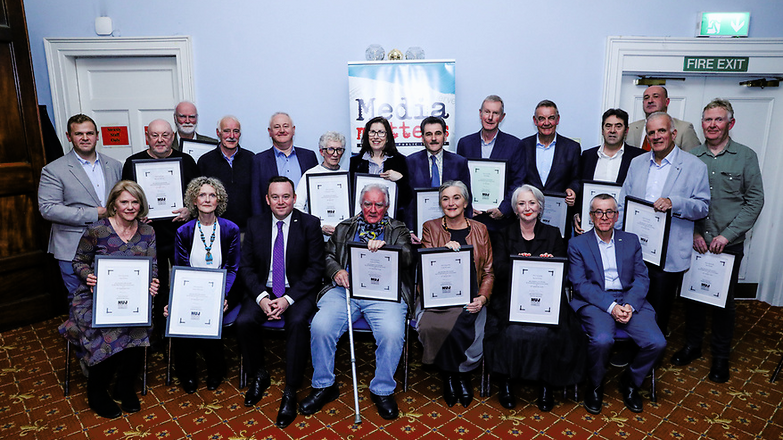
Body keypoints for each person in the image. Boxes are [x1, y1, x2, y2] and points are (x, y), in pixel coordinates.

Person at [300, 184, 413, 420]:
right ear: (360, 205)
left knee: (392, 332)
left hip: (384, 293)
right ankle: (323, 385)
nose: (372, 209)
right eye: (367, 204)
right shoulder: (345, 226)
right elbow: (328, 255)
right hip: (345, 290)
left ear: (387, 206)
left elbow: (408, 257)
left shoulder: (398, 228)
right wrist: (337, 271)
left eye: (378, 204)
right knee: (321, 326)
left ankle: (382, 389)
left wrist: (387, 248)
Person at [671, 99, 764, 383]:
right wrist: (696, 233)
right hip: (696, 241)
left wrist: (727, 236)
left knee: (724, 304)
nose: (712, 125)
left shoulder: (745, 157)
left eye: (718, 120)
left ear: (730, 124)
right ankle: (692, 346)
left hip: (728, 243)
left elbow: (754, 201)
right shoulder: (691, 157)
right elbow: (686, 201)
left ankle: (721, 357)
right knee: (693, 299)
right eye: (708, 120)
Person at [58, 180, 160, 419]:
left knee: (140, 323)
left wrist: (153, 282)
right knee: (107, 328)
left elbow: (152, 266)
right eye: (124, 201)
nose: (130, 206)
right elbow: (78, 262)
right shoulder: (97, 230)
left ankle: (124, 385)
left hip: (132, 295)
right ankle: (97, 390)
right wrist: (89, 276)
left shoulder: (148, 231)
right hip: (95, 296)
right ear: (114, 203)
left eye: (135, 201)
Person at [235, 176, 324, 428]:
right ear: (267, 199)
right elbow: (247, 268)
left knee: (297, 322)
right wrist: (262, 298)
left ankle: (291, 389)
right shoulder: (255, 224)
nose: (281, 201)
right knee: (244, 322)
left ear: (295, 198)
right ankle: (259, 374)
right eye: (275, 196)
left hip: (297, 291)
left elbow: (316, 269)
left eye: (286, 196)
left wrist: (287, 299)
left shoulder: (310, 224)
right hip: (263, 290)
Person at [486, 184, 586, 411]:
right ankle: (507, 383)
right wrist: (519, 263)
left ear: (540, 207)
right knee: (509, 332)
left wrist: (548, 264)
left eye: (532, 203)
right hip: (510, 297)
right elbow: (498, 270)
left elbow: (565, 275)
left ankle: (546, 384)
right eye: (521, 203)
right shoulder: (503, 234)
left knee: (551, 332)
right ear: (515, 208)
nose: (527, 208)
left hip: (547, 299)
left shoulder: (553, 234)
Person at [569, 194, 666, 414]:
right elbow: (580, 284)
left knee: (657, 342)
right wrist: (612, 307)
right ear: (591, 216)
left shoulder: (630, 240)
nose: (604, 217)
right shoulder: (577, 244)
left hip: (629, 298)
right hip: (595, 300)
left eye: (609, 212)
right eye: (599, 212)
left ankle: (630, 382)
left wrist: (630, 305)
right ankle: (594, 386)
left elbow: (642, 278)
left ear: (617, 216)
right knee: (602, 340)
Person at [618, 112, 710, 336]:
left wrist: (674, 203)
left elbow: (703, 207)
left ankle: (651, 354)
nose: (656, 136)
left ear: (673, 133)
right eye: (651, 132)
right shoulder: (637, 163)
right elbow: (623, 202)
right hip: (636, 249)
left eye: (662, 131)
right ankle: (632, 347)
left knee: (659, 308)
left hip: (668, 254)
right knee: (632, 302)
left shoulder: (694, 166)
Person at [122, 119, 201, 343]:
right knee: (154, 285)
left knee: (183, 281)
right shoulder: (132, 162)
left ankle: (182, 326)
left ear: (173, 136)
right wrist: (136, 212)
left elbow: (199, 195)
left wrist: (190, 210)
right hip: (146, 236)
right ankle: (156, 330)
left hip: (180, 235)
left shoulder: (186, 161)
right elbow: (124, 198)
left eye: (165, 135)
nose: (160, 140)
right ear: (147, 137)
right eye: (155, 135)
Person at [417, 180, 493, 408]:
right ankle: (452, 375)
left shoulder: (480, 229)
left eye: (456, 197)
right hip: (438, 295)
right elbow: (425, 267)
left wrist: (482, 298)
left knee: (467, 323)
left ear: (466, 201)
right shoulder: (430, 227)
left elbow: (488, 271)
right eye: (445, 198)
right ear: (440, 204)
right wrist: (442, 252)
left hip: (472, 295)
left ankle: (460, 375)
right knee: (432, 326)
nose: (451, 203)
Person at [38, 114, 122, 300]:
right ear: (69, 137)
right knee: (79, 301)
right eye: (79, 134)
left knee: (112, 298)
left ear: (97, 135)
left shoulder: (115, 165)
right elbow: (48, 208)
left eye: (89, 133)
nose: (85, 138)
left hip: (110, 244)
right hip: (72, 247)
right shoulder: (54, 170)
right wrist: (95, 213)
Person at [170, 177, 240, 393]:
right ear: (194, 200)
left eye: (212, 195)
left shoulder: (230, 229)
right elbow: (180, 269)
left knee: (211, 316)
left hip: (221, 291)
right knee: (184, 319)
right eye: (202, 195)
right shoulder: (184, 231)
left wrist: (223, 297)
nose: (207, 199)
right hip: (191, 289)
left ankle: (216, 371)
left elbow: (233, 268)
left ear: (219, 200)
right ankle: (187, 373)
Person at [456, 95, 526, 232]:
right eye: (487, 112)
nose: (490, 117)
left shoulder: (515, 145)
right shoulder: (465, 143)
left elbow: (518, 181)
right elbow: (459, 180)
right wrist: (468, 206)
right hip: (471, 221)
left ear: (502, 116)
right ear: (480, 113)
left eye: (495, 113)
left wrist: (504, 209)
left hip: (502, 223)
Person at [574, 108, 645, 234]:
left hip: (623, 229)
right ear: (602, 130)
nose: (612, 130)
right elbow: (580, 189)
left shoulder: (639, 158)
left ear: (626, 131)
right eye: (608, 126)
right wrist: (576, 214)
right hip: (590, 228)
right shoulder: (587, 156)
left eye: (618, 126)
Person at [406, 116, 471, 234]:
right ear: (422, 138)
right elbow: (407, 201)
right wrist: (410, 230)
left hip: (453, 227)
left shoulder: (459, 162)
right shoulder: (410, 162)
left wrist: (467, 229)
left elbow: (466, 198)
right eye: (429, 134)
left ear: (445, 136)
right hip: (419, 229)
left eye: (438, 133)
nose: (434, 138)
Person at [250, 112, 318, 216]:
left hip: (305, 221)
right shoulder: (259, 160)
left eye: (286, 126)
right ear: (270, 132)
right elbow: (256, 198)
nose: (282, 130)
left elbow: (316, 192)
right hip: (271, 222)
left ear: (293, 130)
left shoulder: (309, 157)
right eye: (277, 127)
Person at [349, 116, 412, 220]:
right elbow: (352, 195)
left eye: (381, 132)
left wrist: (400, 179)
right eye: (372, 132)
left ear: (387, 137)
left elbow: (408, 198)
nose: (376, 137)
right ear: (367, 135)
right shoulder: (356, 162)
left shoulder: (400, 160)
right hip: (362, 220)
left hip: (392, 221)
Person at [197, 116, 254, 231]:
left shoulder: (251, 159)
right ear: (218, 133)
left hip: (247, 229)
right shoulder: (205, 161)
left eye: (236, 131)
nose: (231, 136)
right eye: (227, 131)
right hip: (216, 229)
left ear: (240, 134)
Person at [521, 100, 581, 208]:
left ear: (557, 120)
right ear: (535, 121)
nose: (546, 123)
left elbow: (576, 179)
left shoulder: (572, 148)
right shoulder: (523, 146)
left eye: (551, 118)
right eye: (541, 118)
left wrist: (572, 189)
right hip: (528, 211)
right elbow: (517, 179)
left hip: (559, 211)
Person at [294, 131, 347, 236]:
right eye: (331, 149)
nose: (335, 154)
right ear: (321, 152)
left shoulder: (346, 176)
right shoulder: (310, 175)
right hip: (316, 236)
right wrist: (318, 225)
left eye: (339, 150)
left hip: (342, 237)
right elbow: (297, 206)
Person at [625, 86, 701, 152]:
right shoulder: (631, 128)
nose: (650, 101)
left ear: (667, 102)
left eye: (656, 96)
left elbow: (693, 160)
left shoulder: (684, 128)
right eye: (646, 98)